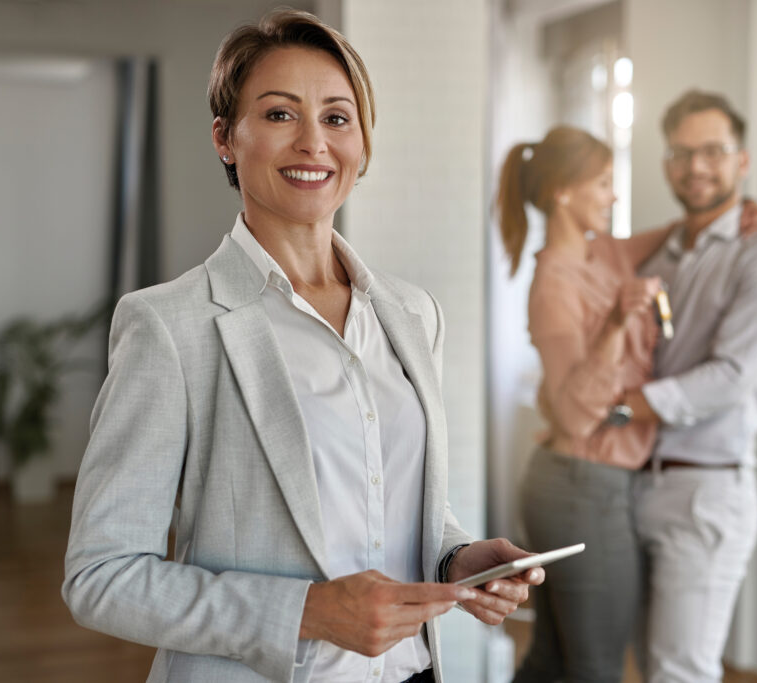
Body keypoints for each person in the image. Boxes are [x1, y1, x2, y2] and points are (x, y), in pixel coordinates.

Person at [62, 10, 541, 683]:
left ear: (365, 144)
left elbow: (388, 510)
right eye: (281, 115)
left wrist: (453, 558)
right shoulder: (170, 326)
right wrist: (306, 611)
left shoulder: (412, 314)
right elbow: (100, 576)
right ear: (226, 138)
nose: (314, 142)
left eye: (338, 118)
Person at [495, 126, 757, 683]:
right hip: (581, 484)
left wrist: (744, 212)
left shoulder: (607, 254)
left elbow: (680, 230)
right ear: (563, 193)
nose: (614, 197)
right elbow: (574, 414)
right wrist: (618, 324)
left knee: (552, 658)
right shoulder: (554, 281)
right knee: (596, 668)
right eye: (603, 184)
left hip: (584, 481)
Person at [620, 90, 757, 682]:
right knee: (648, 666)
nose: (695, 166)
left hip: (705, 494)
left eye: (712, 151)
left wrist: (623, 410)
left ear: (742, 160)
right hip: (637, 485)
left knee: (681, 670)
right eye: (681, 152)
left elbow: (731, 377)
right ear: (665, 163)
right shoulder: (663, 253)